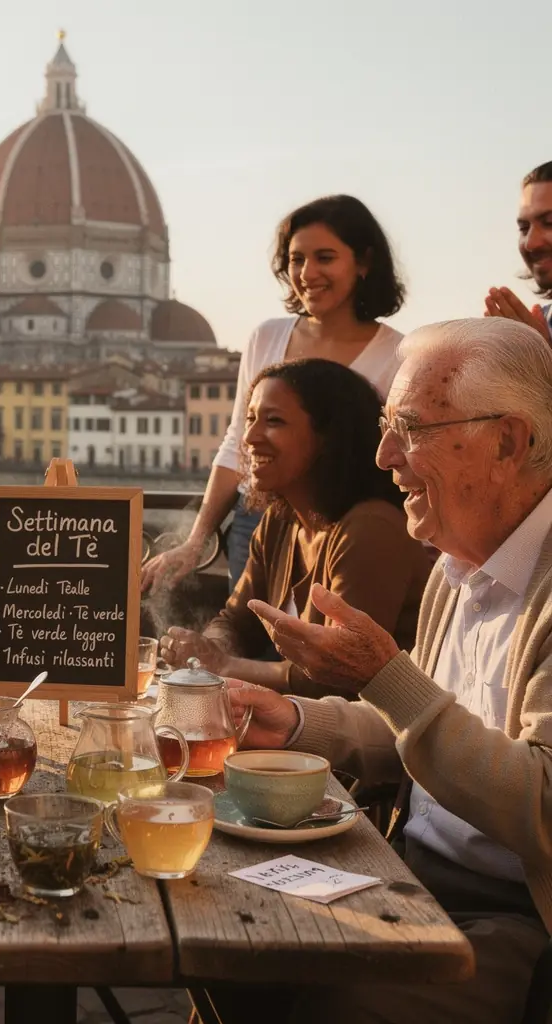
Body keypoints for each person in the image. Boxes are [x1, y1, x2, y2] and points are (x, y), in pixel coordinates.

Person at [228, 318, 552, 1024]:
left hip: (516, 923)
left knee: (329, 1003)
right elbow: (425, 730)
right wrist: (299, 722)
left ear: (509, 441)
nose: (383, 455)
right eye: (384, 427)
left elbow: (542, 804)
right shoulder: (457, 565)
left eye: (410, 428)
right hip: (406, 874)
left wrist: (384, 676)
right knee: (228, 929)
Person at [141, 194, 406, 594]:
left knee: (317, 649)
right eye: (296, 259)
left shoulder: (398, 353)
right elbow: (237, 445)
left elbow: (395, 459)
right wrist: (196, 541)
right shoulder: (266, 337)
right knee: (243, 637)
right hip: (258, 521)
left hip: (347, 532)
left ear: (364, 262)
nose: (307, 272)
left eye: (325, 257)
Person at [159, 359, 429, 699]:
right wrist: (209, 649)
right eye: (250, 419)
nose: (250, 437)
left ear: (328, 437)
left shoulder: (370, 529)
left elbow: (339, 675)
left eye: (273, 421)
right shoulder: (280, 521)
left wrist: (223, 666)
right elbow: (235, 619)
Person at [484, 160, 552, 344]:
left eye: (549, 223)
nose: (531, 243)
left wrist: (540, 358)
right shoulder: (539, 324)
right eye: (524, 228)